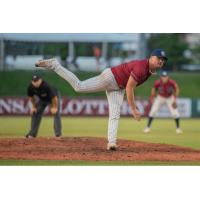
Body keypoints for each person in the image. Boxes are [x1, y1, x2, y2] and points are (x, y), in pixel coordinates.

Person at [35, 49, 167, 150]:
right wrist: (133, 109)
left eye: (163, 59)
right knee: (79, 86)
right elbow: (129, 88)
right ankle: (54, 64)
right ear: (151, 57)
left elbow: (127, 86)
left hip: (117, 87)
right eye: (159, 58)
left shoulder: (149, 70)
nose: (161, 61)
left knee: (115, 114)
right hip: (111, 78)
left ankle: (112, 142)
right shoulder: (141, 67)